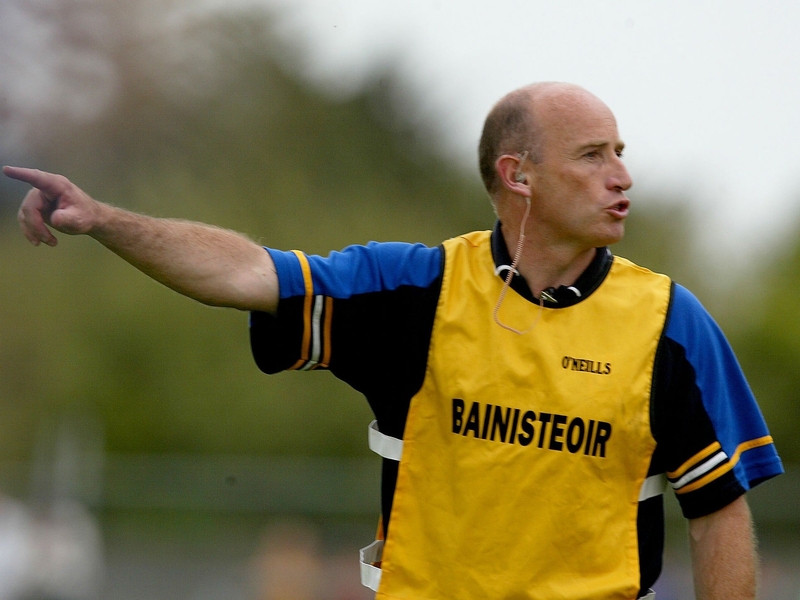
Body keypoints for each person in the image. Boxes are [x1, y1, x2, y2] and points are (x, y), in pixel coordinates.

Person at [5, 82, 783, 600]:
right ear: (519, 175)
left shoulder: (672, 324)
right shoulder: (417, 292)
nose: (622, 176)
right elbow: (246, 274)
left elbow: (718, 512)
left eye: (621, 152)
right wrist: (106, 220)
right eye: (593, 155)